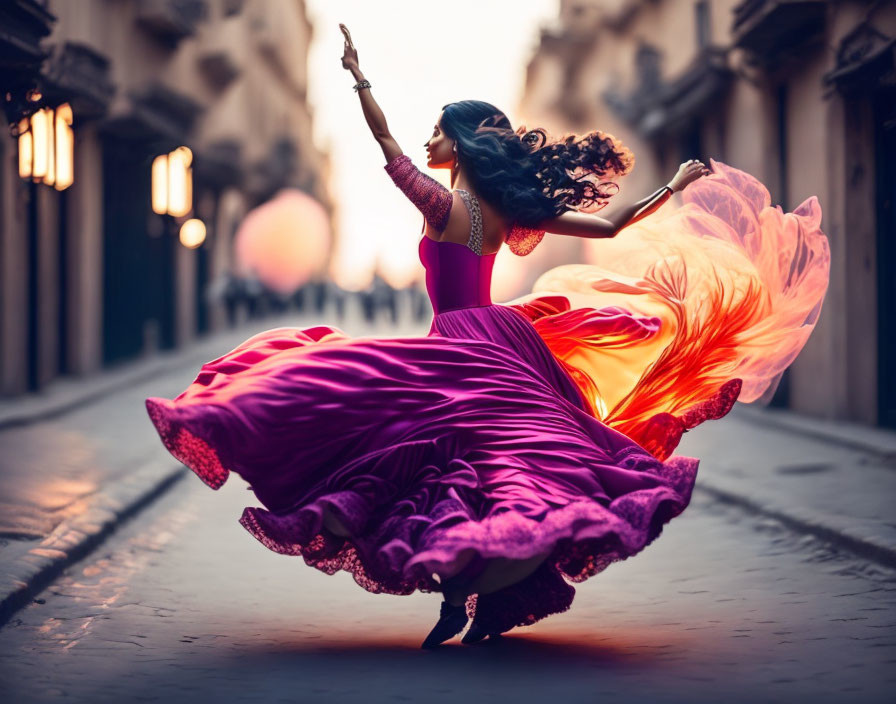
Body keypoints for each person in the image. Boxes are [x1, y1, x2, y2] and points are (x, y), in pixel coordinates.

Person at [144, 23, 831, 649]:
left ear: (461, 143)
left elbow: (384, 146)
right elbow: (614, 226)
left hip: (457, 345)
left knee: (434, 465)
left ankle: (458, 598)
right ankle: (471, 597)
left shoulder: (441, 202)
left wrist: (359, 81)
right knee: (495, 474)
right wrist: (670, 186)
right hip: (503, 342)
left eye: (439, 132)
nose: (428, 142)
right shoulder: (503, 209)